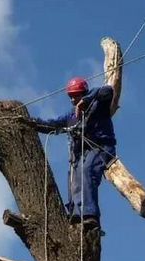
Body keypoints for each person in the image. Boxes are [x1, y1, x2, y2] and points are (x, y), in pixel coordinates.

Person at [32, 77, 116, 228]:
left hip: (101, 148)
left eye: (75, 95)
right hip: (81, 154)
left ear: (83, 93)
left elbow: (108, 90)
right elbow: (52, 124)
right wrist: (31, 122)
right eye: (70, 96)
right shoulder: (71, 116)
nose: (72, 99)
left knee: (86, 170)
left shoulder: (98, 104)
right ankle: (76, 215)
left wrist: (86, 100)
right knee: (74, 181)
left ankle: (90, 214)